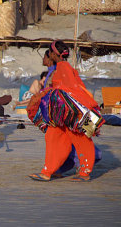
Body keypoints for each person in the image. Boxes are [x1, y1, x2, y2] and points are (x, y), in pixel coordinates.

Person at [28, 41, 105, 181]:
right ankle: (48, 171)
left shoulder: (63, 68)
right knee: (54, 137)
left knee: (81, 140)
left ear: (52, 54)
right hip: (65, 113)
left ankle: (84, 173)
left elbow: (69, 91)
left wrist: (45, 94)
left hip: (73, 114)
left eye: (49, 52)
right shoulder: (63, 67)